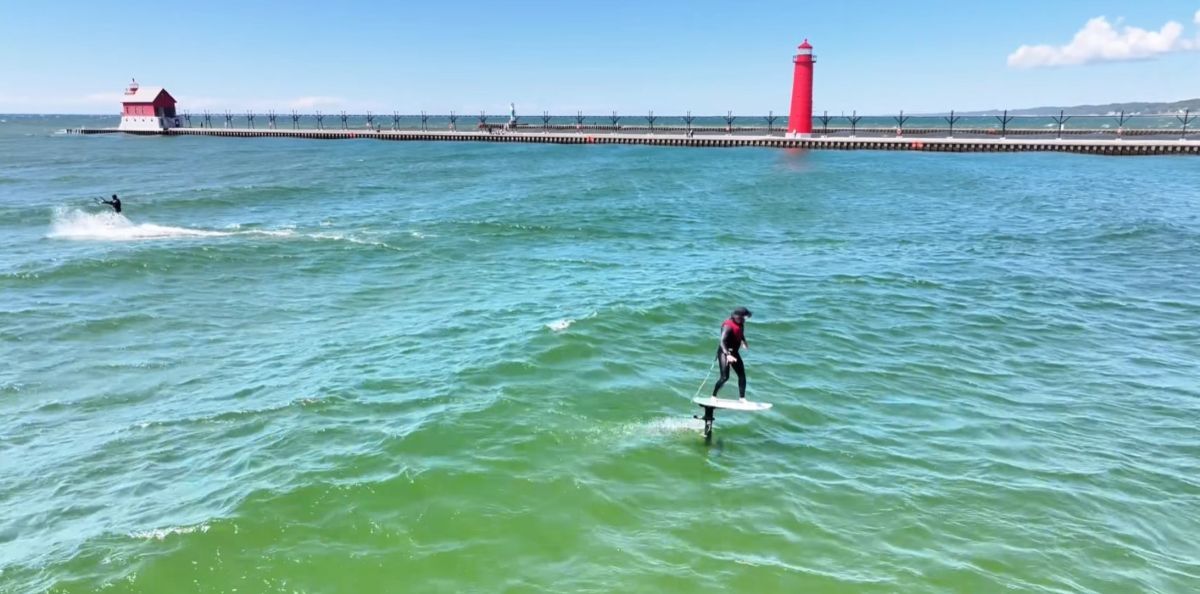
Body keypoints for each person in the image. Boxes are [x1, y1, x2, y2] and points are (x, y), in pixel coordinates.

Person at [712, 307, 752, 400]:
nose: (745, 320)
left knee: (742, 375)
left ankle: (742, 399)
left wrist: (744, 341)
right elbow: (722, 341)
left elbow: (740, 333)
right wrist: (728, 355)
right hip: (724, 352)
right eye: (745, 318)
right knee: (725, 377)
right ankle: (713, 396)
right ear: (738, 317)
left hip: (734, 353)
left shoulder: (741, 324)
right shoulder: (727, 326)